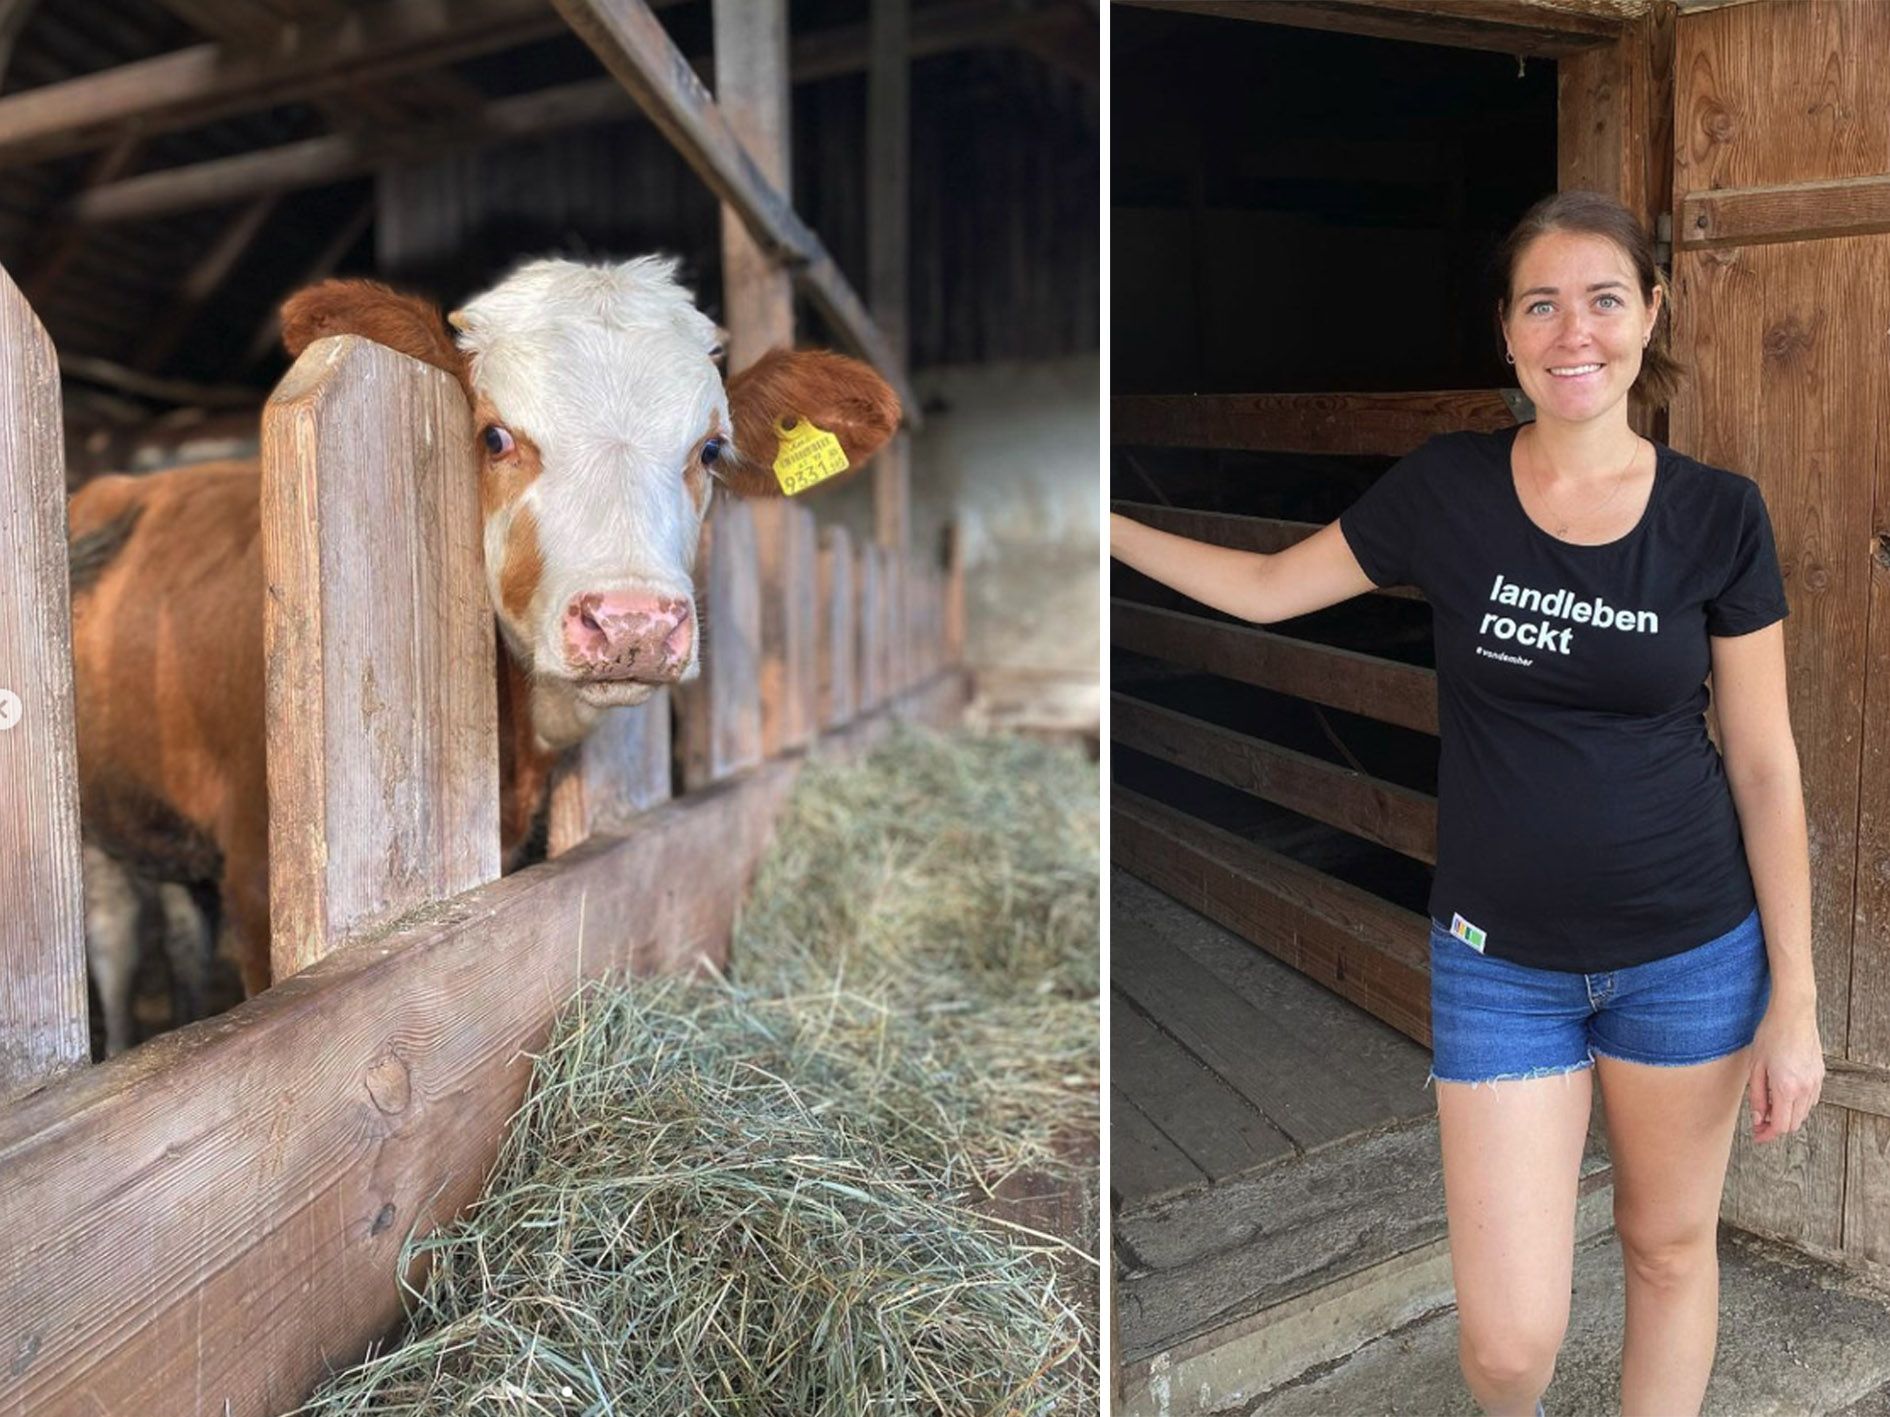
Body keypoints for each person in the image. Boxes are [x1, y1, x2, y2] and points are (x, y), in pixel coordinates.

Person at [1110, 190, 1824, 1417]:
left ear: (1652, 312)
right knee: (1506, 1344)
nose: (1573, 332)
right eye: (1540, 305)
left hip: (1691, 955)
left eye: (1604, 299)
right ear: (1506, 333)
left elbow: (1764, 763)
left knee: (1665, 1248)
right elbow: (1276, 587)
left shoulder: (1719, 515)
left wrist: (1797, 999)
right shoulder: (1447, 491)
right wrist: (1100, 524)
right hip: (1501, 963)